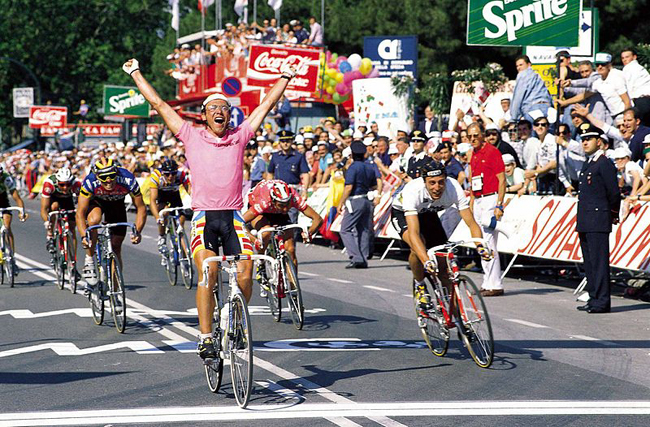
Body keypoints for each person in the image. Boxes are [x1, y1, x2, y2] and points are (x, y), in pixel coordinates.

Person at [124, 57, 296, 361]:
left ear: (231, 116)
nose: (219, 112)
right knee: (209, 272)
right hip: (204, 217)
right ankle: (204, 338)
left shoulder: (240, 136)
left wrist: (284, 76)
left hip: (233, 216)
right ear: (203, 116)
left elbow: (265, 106)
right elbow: (161, 105)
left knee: (245, 275)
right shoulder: (191, 134)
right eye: (213, 108)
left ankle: (235, 316)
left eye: (224, 109)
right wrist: (136, 73)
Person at [390, 161, 491, 314]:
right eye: (431, 183)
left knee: (444, 268)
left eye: (440, 182)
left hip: (429, 213)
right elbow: (414, 233)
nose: (437, 188)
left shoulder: (453, 188)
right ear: (424, 182)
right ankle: (420, 285)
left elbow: (471, 223)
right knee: (418, 246)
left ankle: (459, 320)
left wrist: (481, 246)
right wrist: (426, 261)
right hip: (403, 214)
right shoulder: (413, 190)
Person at [242, 180, 323, 294]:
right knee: (265, 232)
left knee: (290, 249)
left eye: (287, 205)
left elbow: (318, 219)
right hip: (260, 210)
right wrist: (254, 240)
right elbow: (240, 223)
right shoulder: (263, 202)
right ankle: (261, 263)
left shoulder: (294, 198)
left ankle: (293, 287)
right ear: (273, 200)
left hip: (277, 212)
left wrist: (309, 233)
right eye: (281, 205)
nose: (285, 209)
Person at [76, 158, 147, 287]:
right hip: (97, 202)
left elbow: (141, 207)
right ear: (97, 176)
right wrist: (83, 236)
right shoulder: (90, 182)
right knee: (94, 220)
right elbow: (80, 213)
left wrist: (138, 231)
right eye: (103, 177)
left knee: (116, 247)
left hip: (116, 204)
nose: (108, 180)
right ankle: (90, 260)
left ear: (116, 172)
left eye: (111, 176)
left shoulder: (127, 179)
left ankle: (116, 289)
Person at [575, 123, 620, 314]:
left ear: (599, 142)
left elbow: (613, 193)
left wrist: (612, 214)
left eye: (589, 139)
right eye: (583, 139)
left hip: (598, 218)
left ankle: (602, 301)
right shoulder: (589, 163)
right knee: (589, 262)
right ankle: (594, 297)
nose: (585, 142)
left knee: (599, 262)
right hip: (586, 218)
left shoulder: (604, 163)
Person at [467, 123, 506, 296]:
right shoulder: (473, 154)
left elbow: (502, 179)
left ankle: (495, 284)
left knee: (489, 242)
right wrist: (471, 201)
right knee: (480, 242)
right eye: (470, 136)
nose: (473, 139)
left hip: (490, 197)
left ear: (482, 135)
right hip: (478, 198)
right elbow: (472, 178)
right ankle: (487, 281)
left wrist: (499, 204)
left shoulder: (492, 152)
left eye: (476, 135)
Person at [337, 141, 380, 269]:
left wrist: (341, 202)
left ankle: (356, 257)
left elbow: (349, 186)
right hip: (367, 199)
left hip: (355, 200)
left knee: (345, 229)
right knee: (364, 230)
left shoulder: (354, 167)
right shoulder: (369, 166)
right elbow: (374, 185)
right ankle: (363, 256)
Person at [148, 158, 191, 264]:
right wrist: (158, 218)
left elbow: (190, 192)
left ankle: (184, 256)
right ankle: (162, 236)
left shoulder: (181, 176)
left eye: (173, 173)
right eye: (167, 174)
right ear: (163, 173)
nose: (171, 176)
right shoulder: (156, 177)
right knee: (164, 212)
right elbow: (152, 201)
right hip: (162, 195)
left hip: (175, 195)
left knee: (180, 221)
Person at [40, 167, 81, 257]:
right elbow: (44, 209)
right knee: (54, 207)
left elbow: (81, 204)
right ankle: (50, 235)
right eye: (62, 185)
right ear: (57, 182)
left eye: (68, 184)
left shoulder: (76, 184)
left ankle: (73, 261)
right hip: (54, 199)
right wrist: (47, 222)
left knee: (72, 228)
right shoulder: (49, 184)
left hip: (68, 200)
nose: (65, 187)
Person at [0, 165, 28, 274]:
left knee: (7, 227)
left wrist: (22, 211)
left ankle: (12, 257)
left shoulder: (6, 178)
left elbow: (16, 197)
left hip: (2, 200)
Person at [510, 55, 553, 123]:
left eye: (521, 65)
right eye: (517, 66)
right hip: (548, 108)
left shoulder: (523, 75)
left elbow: (518, 96)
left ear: (529, 64)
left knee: (533, 132)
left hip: (532, 108)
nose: (518, 68)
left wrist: (514, 118)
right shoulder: (538, 76)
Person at [621, 48, 650, 125]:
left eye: (627, 57)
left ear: (634, 57)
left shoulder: (629, 68)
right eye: (623, 58)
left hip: (640, 102)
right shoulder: (641, 68)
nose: (624, 60)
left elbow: (629, 88)